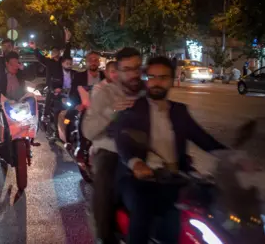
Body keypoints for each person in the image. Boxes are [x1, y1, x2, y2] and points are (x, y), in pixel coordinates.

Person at [114, 56, 229, 244]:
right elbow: (123, 139)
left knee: (215, 204)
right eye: (152, 77)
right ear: (146, 79)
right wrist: (136, 163)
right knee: (145, 211)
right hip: (140, 179)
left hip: (177, 177)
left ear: (172, 80)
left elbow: (203, 139)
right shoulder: (132, 108)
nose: (157, 82)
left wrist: (232, 157)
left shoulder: (179, 111)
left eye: (163, 77)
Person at [81, 48, 145, 244]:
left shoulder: (148, 92)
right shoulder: (105, 93)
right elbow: (89, 130)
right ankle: (104, 235)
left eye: (136, 68)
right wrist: (113, 111)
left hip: (142, 150)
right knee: (105, 180)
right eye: (127, 69)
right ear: (117, 71)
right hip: (110, 149)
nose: (133, 74)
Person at [0, 51, 31, 154]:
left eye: (17, 63)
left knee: (31, 116)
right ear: (7, 64)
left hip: (17, 105)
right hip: (2, 104)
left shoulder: (21, 74)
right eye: (13, 64)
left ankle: (29, 139)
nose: (15, 66)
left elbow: (31, 77)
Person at [30, 28, 72, 121]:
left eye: (55, 51)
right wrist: (34, 48)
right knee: (49, 96)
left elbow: (67, 53)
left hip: (63, 87)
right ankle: (45, 115)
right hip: (52, 87)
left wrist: (68, 40)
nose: (53, 53)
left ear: (59, 52)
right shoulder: (49, 62)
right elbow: (40, 58)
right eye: (52, 52)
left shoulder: (63, 61)